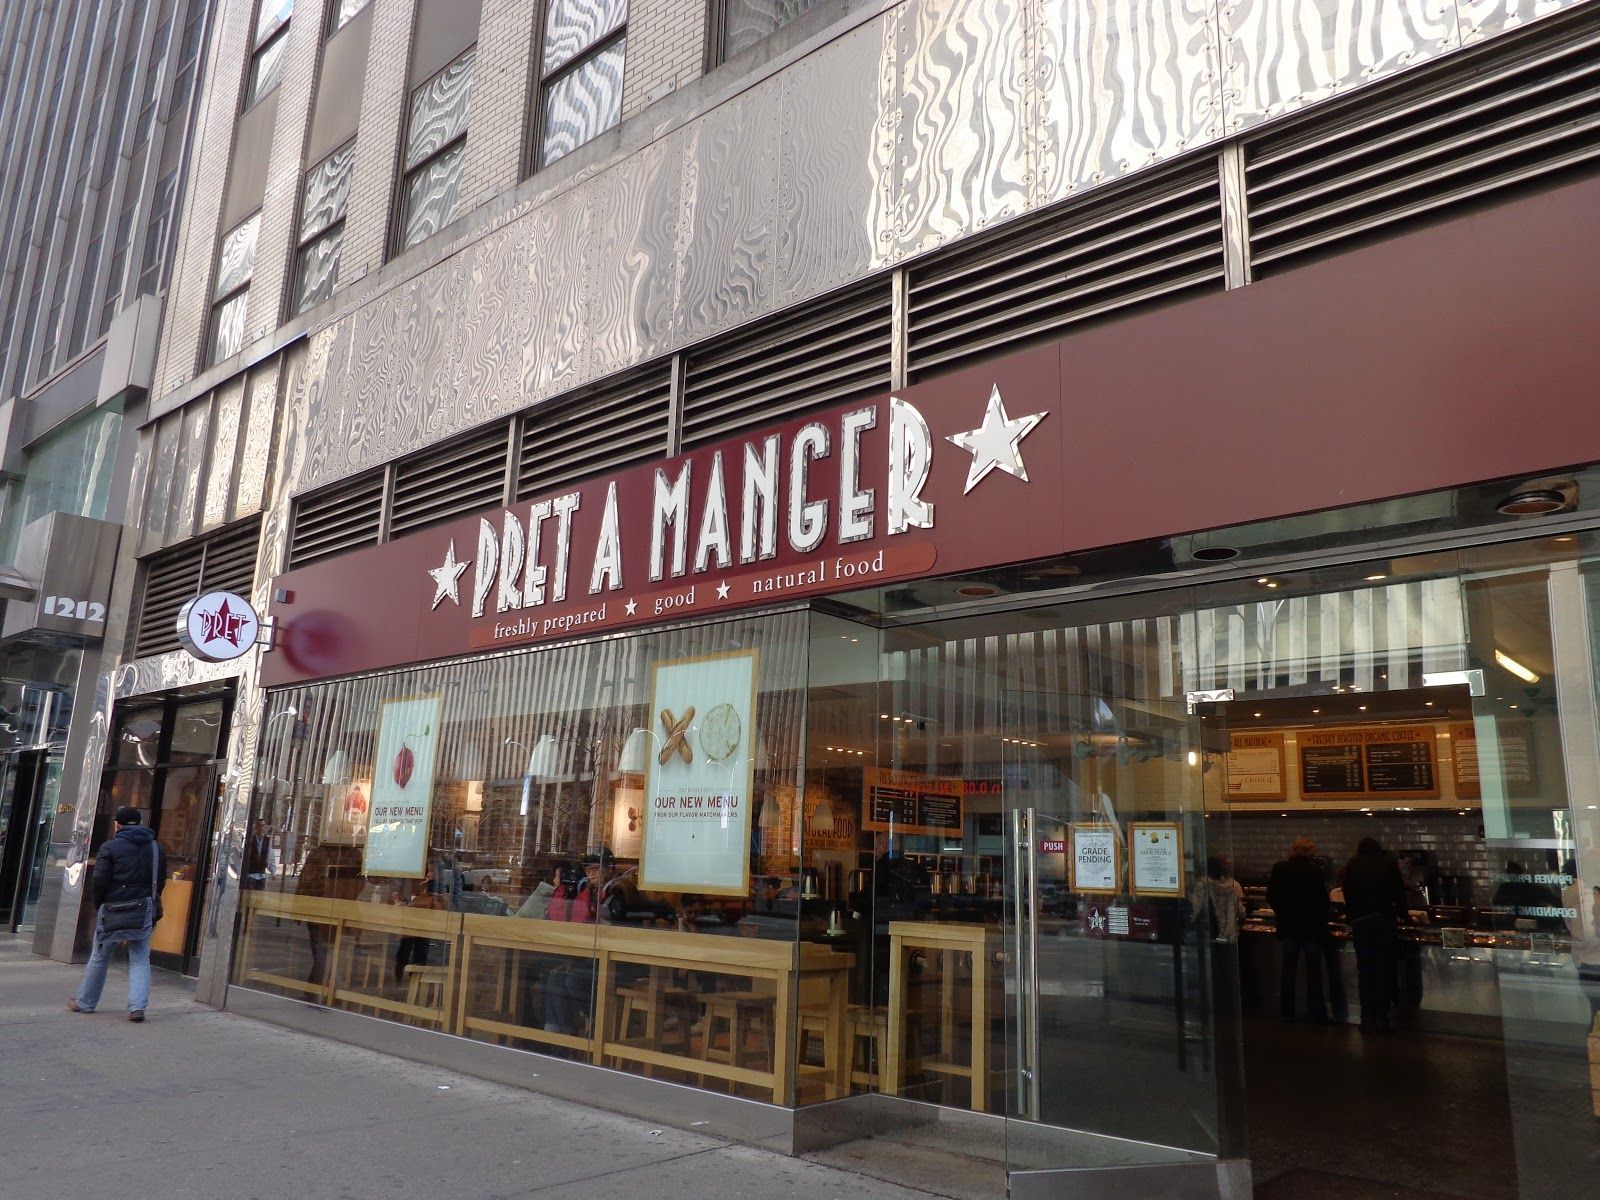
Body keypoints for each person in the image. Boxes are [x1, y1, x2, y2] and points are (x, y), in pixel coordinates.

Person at [68, 806, 167, 1022]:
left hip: (113, 908)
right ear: (139, 822)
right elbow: (160, 881)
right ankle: (137, 1007)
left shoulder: (110, 847)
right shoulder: (155, 847)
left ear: (117, 825)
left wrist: (100, 905)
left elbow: (100, 881)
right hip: (143, 908)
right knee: (140, 957)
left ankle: (85, 1003)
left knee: (100, 956)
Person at [1268, 837, 1334, 1023]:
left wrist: (1282, 913)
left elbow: (1271, 895)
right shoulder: (1314, 871)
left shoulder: (1280, 868)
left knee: (1288, 970)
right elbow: (1322, 901)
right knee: (1313, 971)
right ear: (1310, 852)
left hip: (1288, 926)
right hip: (1311, 927)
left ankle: (1287, 1010)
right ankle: (1315, 1011)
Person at [1344, 837, 1406, 1033]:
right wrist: (1403, 914)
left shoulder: (1353, 863)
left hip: (1361, 922)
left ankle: (1366, 1016)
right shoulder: (1388, 863)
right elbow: (1399, 892)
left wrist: (1352, 913)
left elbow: (1347, 891)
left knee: (1365, 970)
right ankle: (1381, 1016)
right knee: (1384, 970)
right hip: (1384, 920)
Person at [242, 819, 273, 890]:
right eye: (259, 825)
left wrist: (272, 871)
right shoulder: (251, 839)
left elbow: (270, 855)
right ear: (256, 827)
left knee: (259, 894)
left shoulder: (267, 840)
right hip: (251, 872)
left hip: (262, 873)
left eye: (263, 826)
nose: (261, 828)